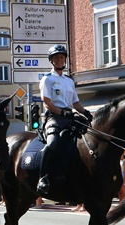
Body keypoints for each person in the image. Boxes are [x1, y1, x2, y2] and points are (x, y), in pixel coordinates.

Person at [37, 44, 91, 196]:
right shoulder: (47, 80)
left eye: (62, 57)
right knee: (53, 143)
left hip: (69, 117)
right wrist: (61, 112)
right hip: (54, 117)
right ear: (52, 61)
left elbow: (75, 103)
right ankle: (43, 177)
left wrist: (86, 112)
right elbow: (47, 102)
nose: (60, 60)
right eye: (56, 58)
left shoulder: (69, 81)